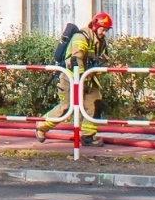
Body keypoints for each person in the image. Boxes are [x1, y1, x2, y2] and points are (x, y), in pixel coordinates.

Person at [36, 12, 111, 142]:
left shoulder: (101, 42)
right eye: (102, 29)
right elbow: (76, 60)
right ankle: (41, 126)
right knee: (66, 108)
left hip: (88, 79)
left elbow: (103, 59)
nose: (104, 33)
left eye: (106, 30)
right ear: (94, 26)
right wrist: (82, 78)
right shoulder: (80, 37)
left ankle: (88, 136)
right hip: (71, 79)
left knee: (95, 104)